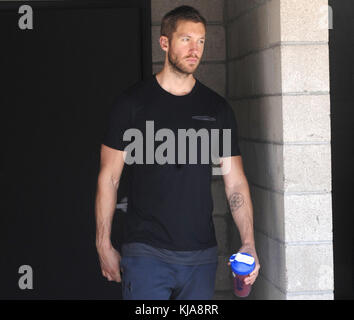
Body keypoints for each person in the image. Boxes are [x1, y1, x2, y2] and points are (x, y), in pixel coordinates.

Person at [95, 5, 260, 300]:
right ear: (165, 43)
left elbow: (235, 182)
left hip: (200, 255)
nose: (195, 49)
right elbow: (109, 178)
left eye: (201, 41)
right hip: (145, 252)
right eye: (186, 39)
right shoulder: (132, 104)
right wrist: (103, 243)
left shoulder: (217, 109)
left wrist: (248, 242)